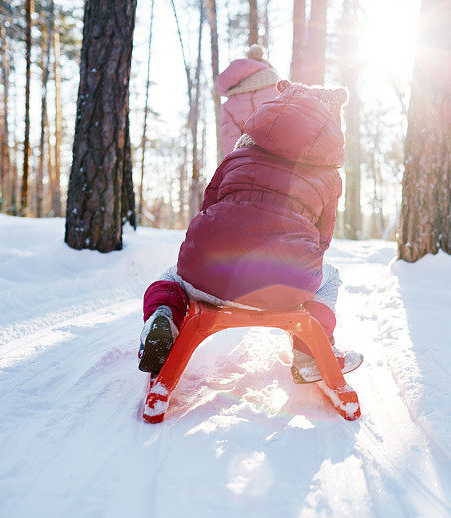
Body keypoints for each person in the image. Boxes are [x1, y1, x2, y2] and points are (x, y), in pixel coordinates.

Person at [138, 80, 363, 384]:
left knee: (172, 277)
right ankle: (311, 353)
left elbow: (208, 206)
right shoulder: (328, 176)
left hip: (209, 273)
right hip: (284, 286)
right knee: (330, 276)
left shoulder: (237, 156)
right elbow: (323, 240)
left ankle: (162, 320)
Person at [217, 44, 279, 157]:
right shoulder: (277, 90)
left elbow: (229, 137)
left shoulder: (230, 102)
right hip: (277, 158)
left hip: (245, 160)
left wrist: (236, 162)